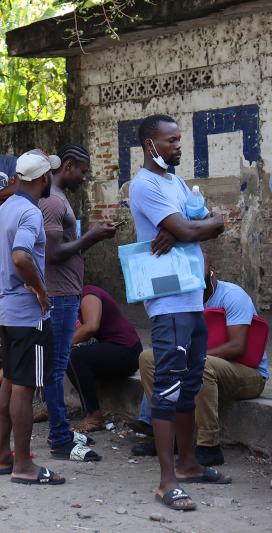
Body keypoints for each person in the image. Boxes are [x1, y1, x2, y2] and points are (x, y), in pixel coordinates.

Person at [128, 114, 227, 511]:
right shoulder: (145, 184)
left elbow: (194, 223)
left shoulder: (176, 182)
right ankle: (166, 481)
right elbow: (192, 229)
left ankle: (189, 465)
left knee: (189, 387)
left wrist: (197, 224)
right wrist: (202, 226)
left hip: (191, 297)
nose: (178, 146)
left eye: (179, 140)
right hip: (168, 300)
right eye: (170, 141)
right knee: (166, 389)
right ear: (150, 144)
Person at [0, 150, 65, 485]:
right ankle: (25, 466)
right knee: (24, 388)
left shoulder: (6, 208)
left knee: (12, 381)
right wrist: (40, 290)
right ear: (43, 178)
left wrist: (2, 270)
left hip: (7, 309)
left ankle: (3, 457)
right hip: (29, 314)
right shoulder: (30, 213)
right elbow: (21, 256)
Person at [137, 264, 268, 467]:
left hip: (248, 373)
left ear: (212, 272)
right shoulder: (183, 299)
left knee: (200, 364)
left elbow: (237, 347)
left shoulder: (233, 296)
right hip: (205, 365)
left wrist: (188, 357)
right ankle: (169, 437)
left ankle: (208, 446)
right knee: (148, 358)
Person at [37, 144, 115, 462]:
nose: (84, 178)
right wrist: (92, 237)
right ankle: (60, 439)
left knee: (55, 368)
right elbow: (53, 253)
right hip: (59, 295)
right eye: (82, 171)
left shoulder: (58, 198)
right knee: (56, 370)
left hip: (65, 293)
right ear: (68, 166)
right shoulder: (53, 202)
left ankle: (62, 431)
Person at [66, 285, 143, 432]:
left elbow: (91, 327)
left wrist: (63, 345)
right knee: (71, 356)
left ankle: (94, 415)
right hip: (115, 350)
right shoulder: (73, 301)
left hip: (127, 351)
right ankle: (53, 406)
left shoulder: (88, 294)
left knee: (75, 357)